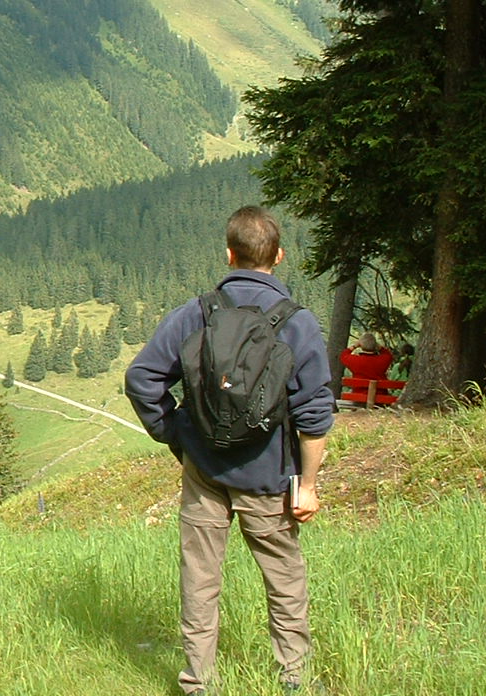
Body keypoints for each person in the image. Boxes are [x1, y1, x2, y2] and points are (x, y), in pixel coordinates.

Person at [125, 205, 334, 694]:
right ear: (278, 256)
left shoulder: (195, 314)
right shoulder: (297, 324)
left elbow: (142, 379)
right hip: (269, 477)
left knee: (200, 578)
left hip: (205, 472)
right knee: (284, 578)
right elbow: (314, 414)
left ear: (229, 255)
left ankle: (199, 682)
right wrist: (308, 486)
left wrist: (177, 434)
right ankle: (294, 677)